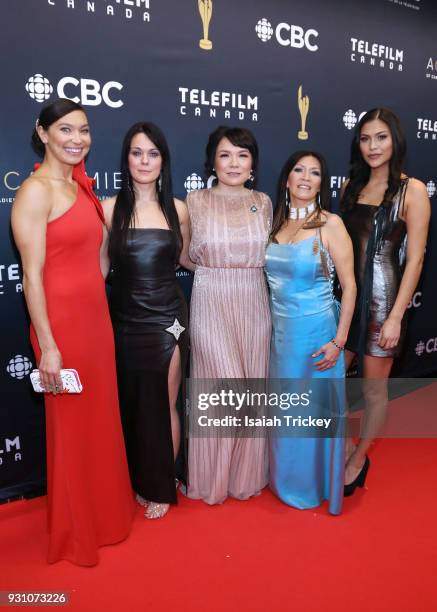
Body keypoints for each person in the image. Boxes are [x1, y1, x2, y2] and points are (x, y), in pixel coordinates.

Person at [11, 98, 134, 566]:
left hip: (94, 321)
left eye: (84, 129)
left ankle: (104, 518)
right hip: (61, 326)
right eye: (65, 129)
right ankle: (76, 530)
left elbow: (95, 263)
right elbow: (32, 275)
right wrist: (48, 346)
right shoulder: (36, 191)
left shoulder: (82, 188)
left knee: (99, 422)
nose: (77, 138)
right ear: (43, 133)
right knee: (71, 429)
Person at [105, 122, 194, 520]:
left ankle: (163, 482)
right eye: (137, 152)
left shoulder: (178, 209)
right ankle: (143, 478)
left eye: (153, 153)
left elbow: (190, 260)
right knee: (135, 406)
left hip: (168, 321)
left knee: (164, 403)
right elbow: (99, 271)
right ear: (126, 158)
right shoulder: (107, 209)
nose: (144, 161)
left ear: (163, 160)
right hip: (125, 321)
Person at [340, 108, 430, 495]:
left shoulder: (414, 190)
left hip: (382, 301)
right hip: (345, 300)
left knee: (375, 391)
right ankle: (341, 444)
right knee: (331, 382)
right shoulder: (350, 186)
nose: (373, 146)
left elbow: (417, 258)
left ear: (395, 140)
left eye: (381, 138)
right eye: (365, 138)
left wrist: (395, 316)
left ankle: (359, 458)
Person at [265, 151, 356, 514]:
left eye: (314, 172)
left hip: (319, 336)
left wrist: (339, 342)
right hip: (282, 338)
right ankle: (286, 481)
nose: (305, 177)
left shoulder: (330, 224)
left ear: (322, 182)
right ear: (286, 178)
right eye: (298, 170)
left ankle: (316, 483)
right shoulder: (276, 222)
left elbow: (349, 287)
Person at [186, 126, 272, 504]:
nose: (234, 163)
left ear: (252, 163)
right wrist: (215, 269)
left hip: (254, 299)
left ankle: (245, 476)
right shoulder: (194, 200)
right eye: (225, 154)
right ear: (212, 161)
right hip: (210, 297)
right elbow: (183, 254)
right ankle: (211, 479)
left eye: (242, 154)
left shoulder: (265, 202)